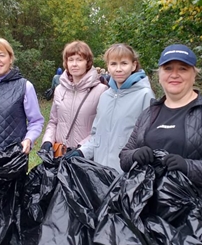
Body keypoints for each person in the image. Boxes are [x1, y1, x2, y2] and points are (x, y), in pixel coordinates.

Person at [119, 43, 202, 244]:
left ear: (194, 74)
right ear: (159, 74)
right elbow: (124, 156)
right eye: (168, 69)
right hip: (151, 216)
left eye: (182, 69)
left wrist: (188, 166)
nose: (174, 74)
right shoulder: (149, 113)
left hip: (196, 221)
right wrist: (135, 155)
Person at [65, 43, 155, 172]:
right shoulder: (105, 96)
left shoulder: (145, 95)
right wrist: (82, 152)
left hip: (127, 175)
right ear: (108, 66)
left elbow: (149, 139)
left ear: (133, 65)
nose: (118, 69)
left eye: (124, 63)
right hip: (100, 174)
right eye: (113, 64)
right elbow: (96, 135)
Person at [40, 41, 108, 153]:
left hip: (84, 157)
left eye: (79, 60)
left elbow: (102, 129)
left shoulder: (101, 91)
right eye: (70, 60)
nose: (74, 64)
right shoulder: (59, 90)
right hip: (60, 155)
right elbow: (53, 121)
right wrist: (47, 141)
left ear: (88, 62)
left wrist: (81, 150)